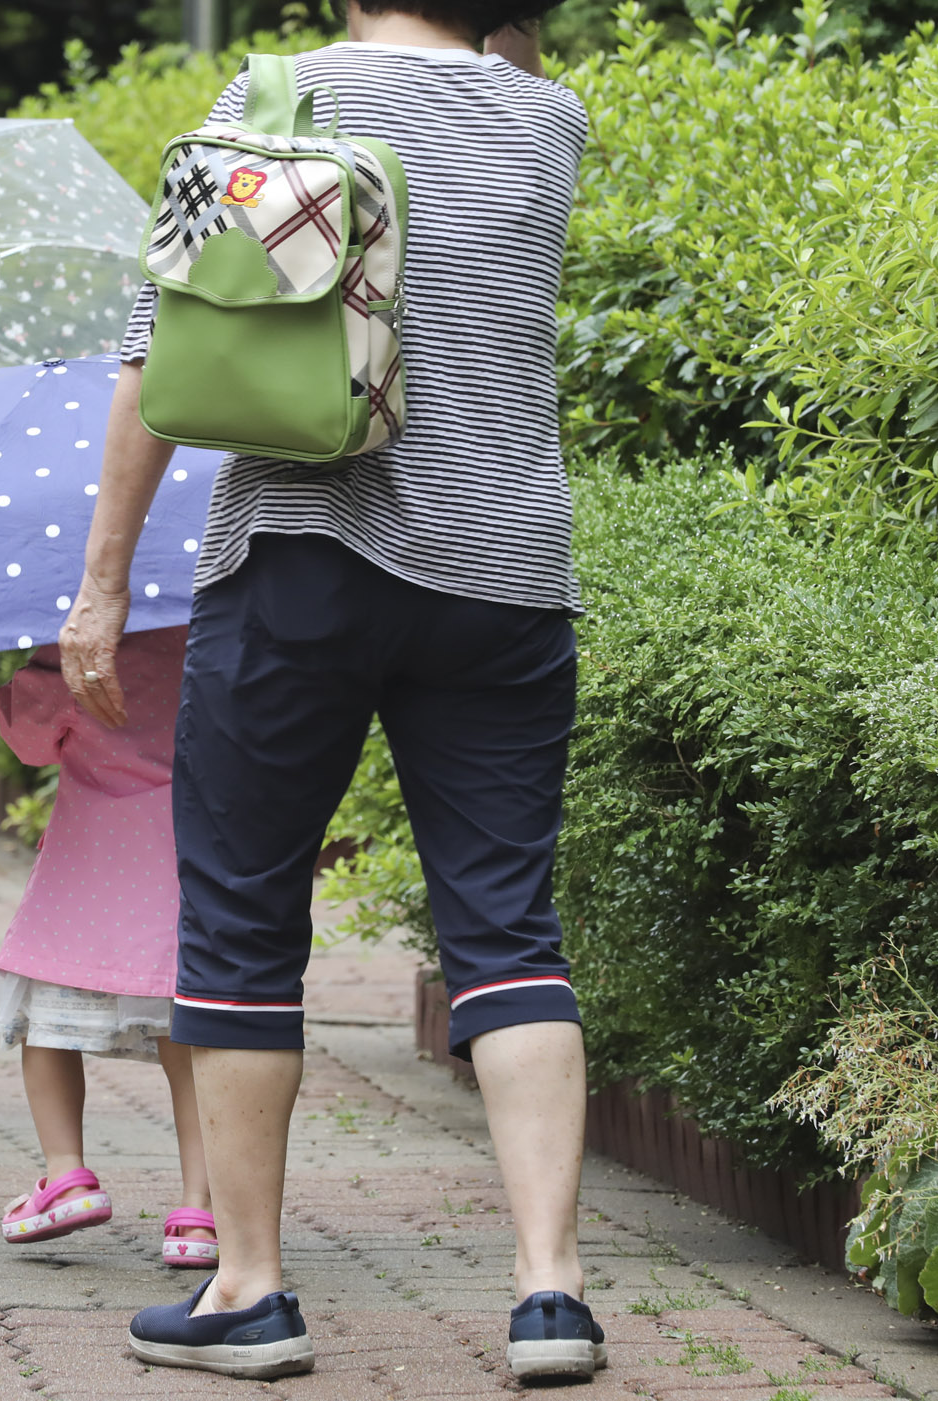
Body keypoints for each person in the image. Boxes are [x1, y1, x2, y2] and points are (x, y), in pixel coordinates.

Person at [59, 1, 595, 1382]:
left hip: (308, 551)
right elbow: (512, 79)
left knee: (241, 913)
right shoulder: (551, 121)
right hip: (507, 566)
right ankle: (551, 1295)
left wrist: (105, 578)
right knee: (506, 923)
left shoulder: (275, 90)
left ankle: (249, 1292)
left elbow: (161, 352)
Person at [0, 627, 217, 1266]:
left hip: (85, 881)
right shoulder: (214, 634)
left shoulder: (83, 645)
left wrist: (30, 670)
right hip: (183, 868)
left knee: (45, 1027)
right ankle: (201, 1212)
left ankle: (66, 1175)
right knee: (188, 1045)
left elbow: (28, 742)